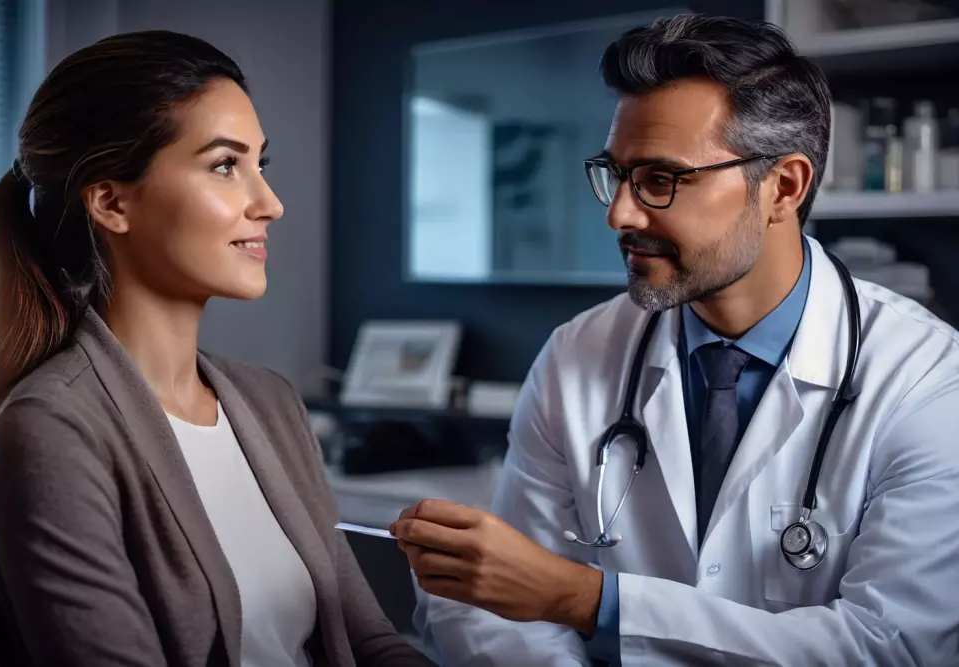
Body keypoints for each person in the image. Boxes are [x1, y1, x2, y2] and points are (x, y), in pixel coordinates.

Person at [389, 13, 959, 667]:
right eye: (616, 172)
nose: (619, 213)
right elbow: (502, 604)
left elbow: (890, 646)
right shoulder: (578, 354)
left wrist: (589, 599)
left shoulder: (927, 382)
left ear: (784, 185)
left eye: (660, 179)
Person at [0, 30, 434, 667]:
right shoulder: (52, 429)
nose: (270, 204)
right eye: (225, 166)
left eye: (260, 165)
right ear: (112, 201)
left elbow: (371, 642)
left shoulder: (271, 402)